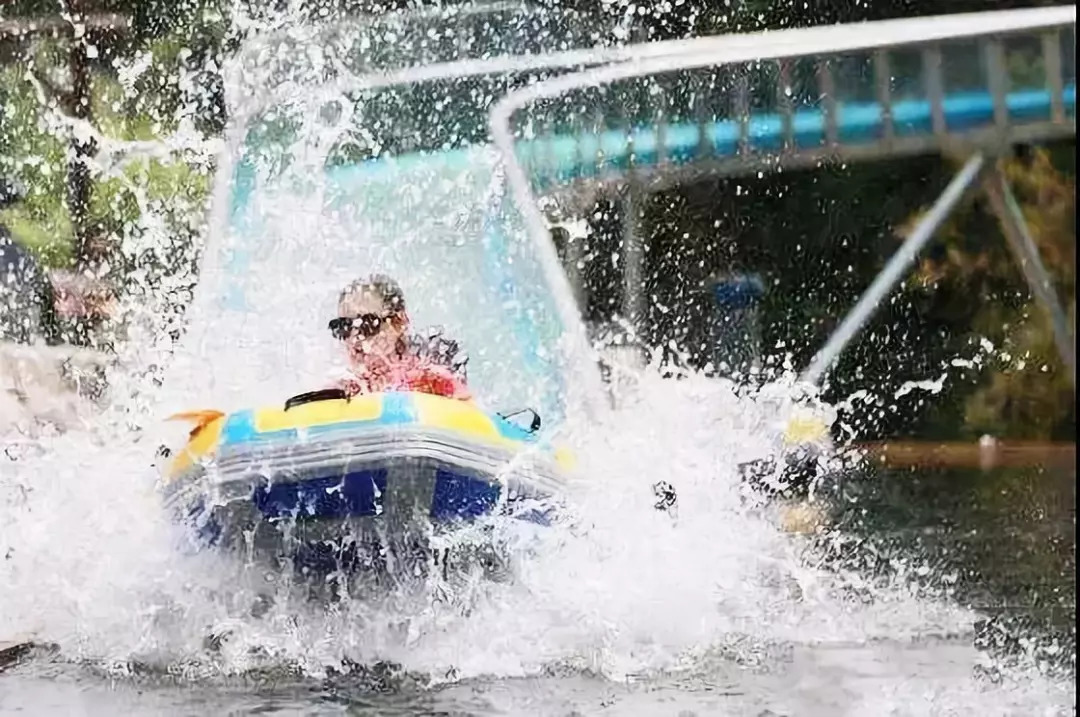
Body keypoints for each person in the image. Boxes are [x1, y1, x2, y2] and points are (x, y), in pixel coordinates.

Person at [328, 274, 470, 400]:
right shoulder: (342, 389)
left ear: (397, 323)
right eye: (343, 327)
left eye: (367, 324)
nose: (354, 338)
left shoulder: (430, 380)